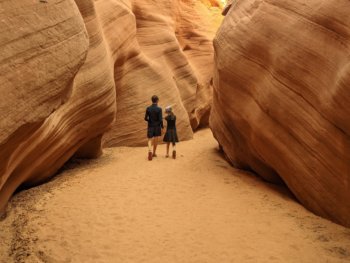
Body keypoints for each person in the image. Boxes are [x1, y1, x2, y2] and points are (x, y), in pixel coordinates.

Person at [144, 95, 164, 161]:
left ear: (151, 100)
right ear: (157, 100)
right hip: (157, 126)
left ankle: (150, 150)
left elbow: (145, 118)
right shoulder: (159, 109)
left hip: (150, 125)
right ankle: (154, 153)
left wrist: (149, 121)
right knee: (156, 139)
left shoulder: (148, 108)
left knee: (149, 139)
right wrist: (162, 127)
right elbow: (161, 119)